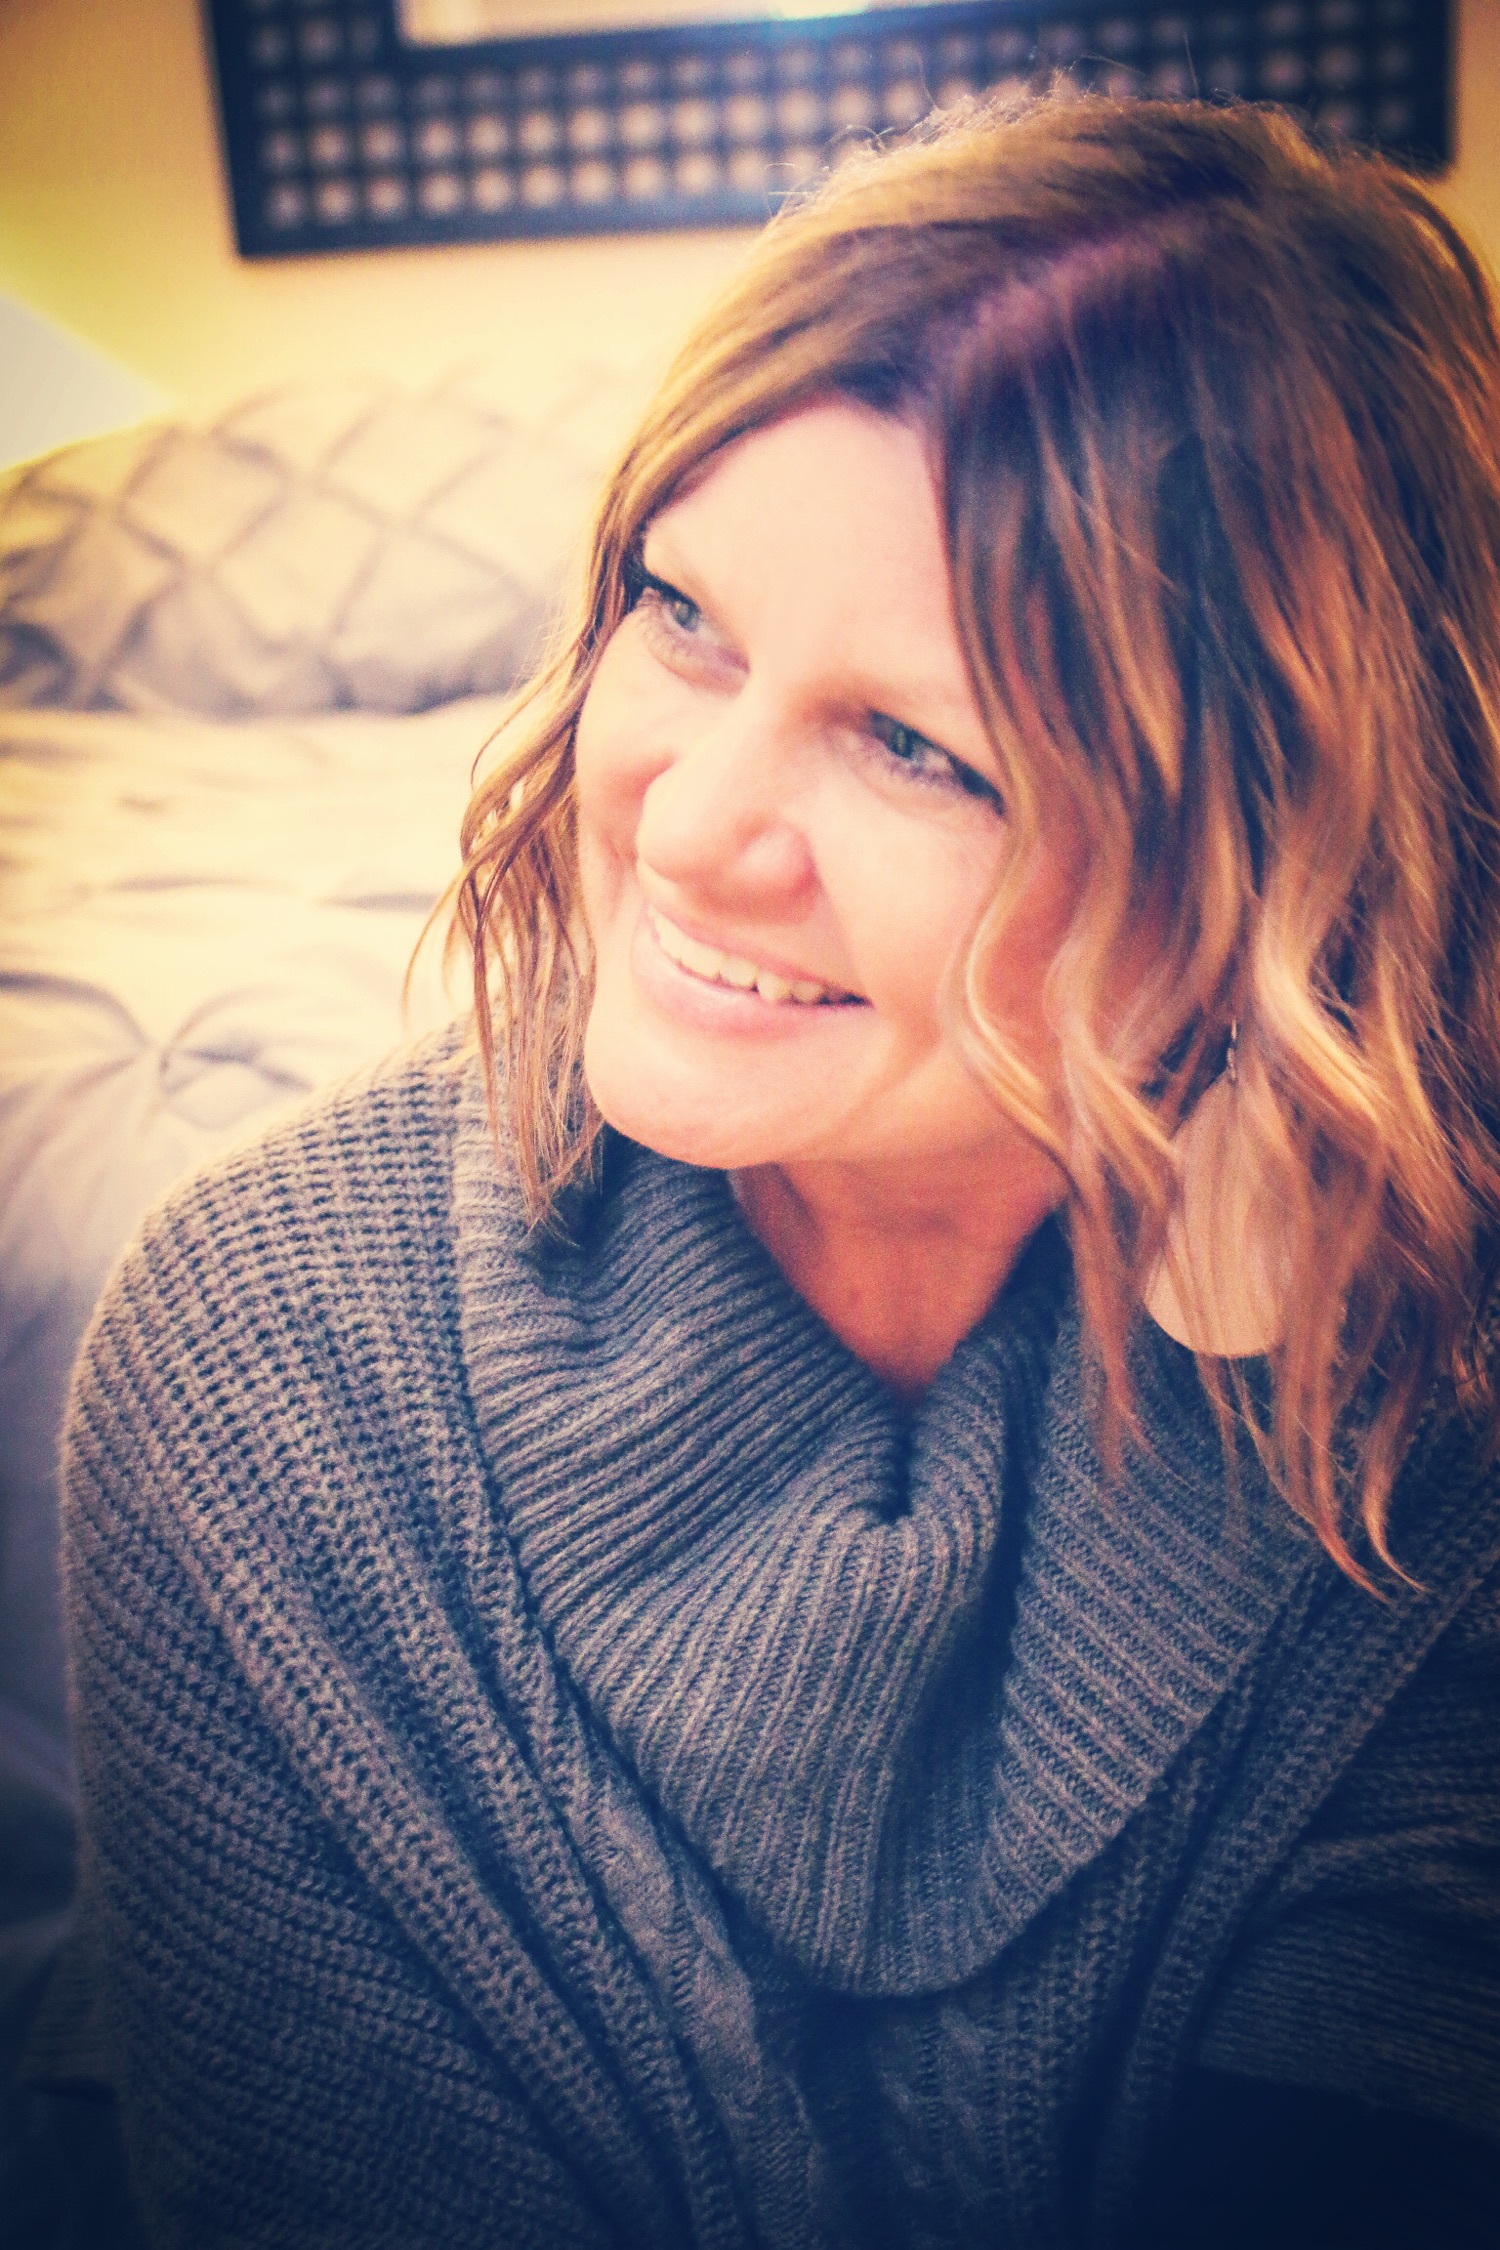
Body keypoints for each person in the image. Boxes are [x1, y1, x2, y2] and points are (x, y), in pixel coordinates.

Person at [51, 91, 1500, 2249]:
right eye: (682, 614)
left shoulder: (1433, 1390)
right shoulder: (261, 1361)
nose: (683, 822)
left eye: (918, 746)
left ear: (1266, 866)